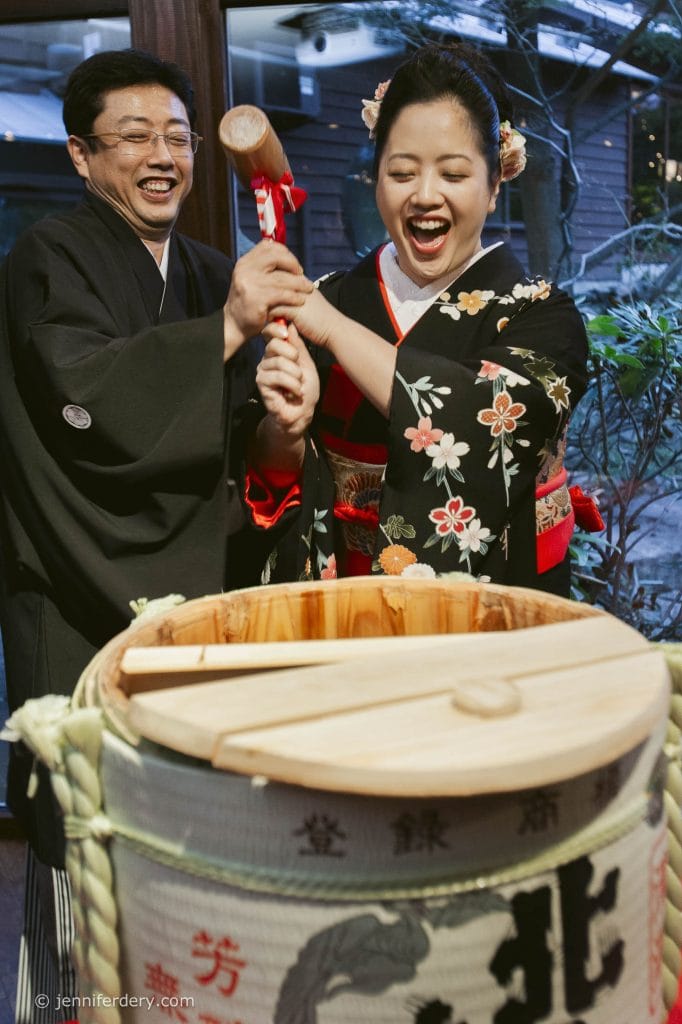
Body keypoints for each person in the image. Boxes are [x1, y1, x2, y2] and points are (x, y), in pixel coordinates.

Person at [0, 48, 311, 1022]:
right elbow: (86, 398)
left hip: (191, 620)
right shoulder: (48, 259)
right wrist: (224, 331)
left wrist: (281, 427)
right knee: (83, 856)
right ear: (82, 155)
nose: (163, 154)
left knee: (189, 864)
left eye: (177, 135)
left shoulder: (213, 272)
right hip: (77, 603)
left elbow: (241, 468)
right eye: (134, 135)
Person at [249, 41, 595, 592]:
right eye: (402, 172)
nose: (425, 196)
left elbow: (483, 424)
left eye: (454, 175)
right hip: (350, 616)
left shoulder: (542, 316)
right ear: (377, 176)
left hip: (499, 616)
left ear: (495, 184)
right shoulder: (327, 300)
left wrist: (335, 332)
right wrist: (284, 432)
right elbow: (275, 477)